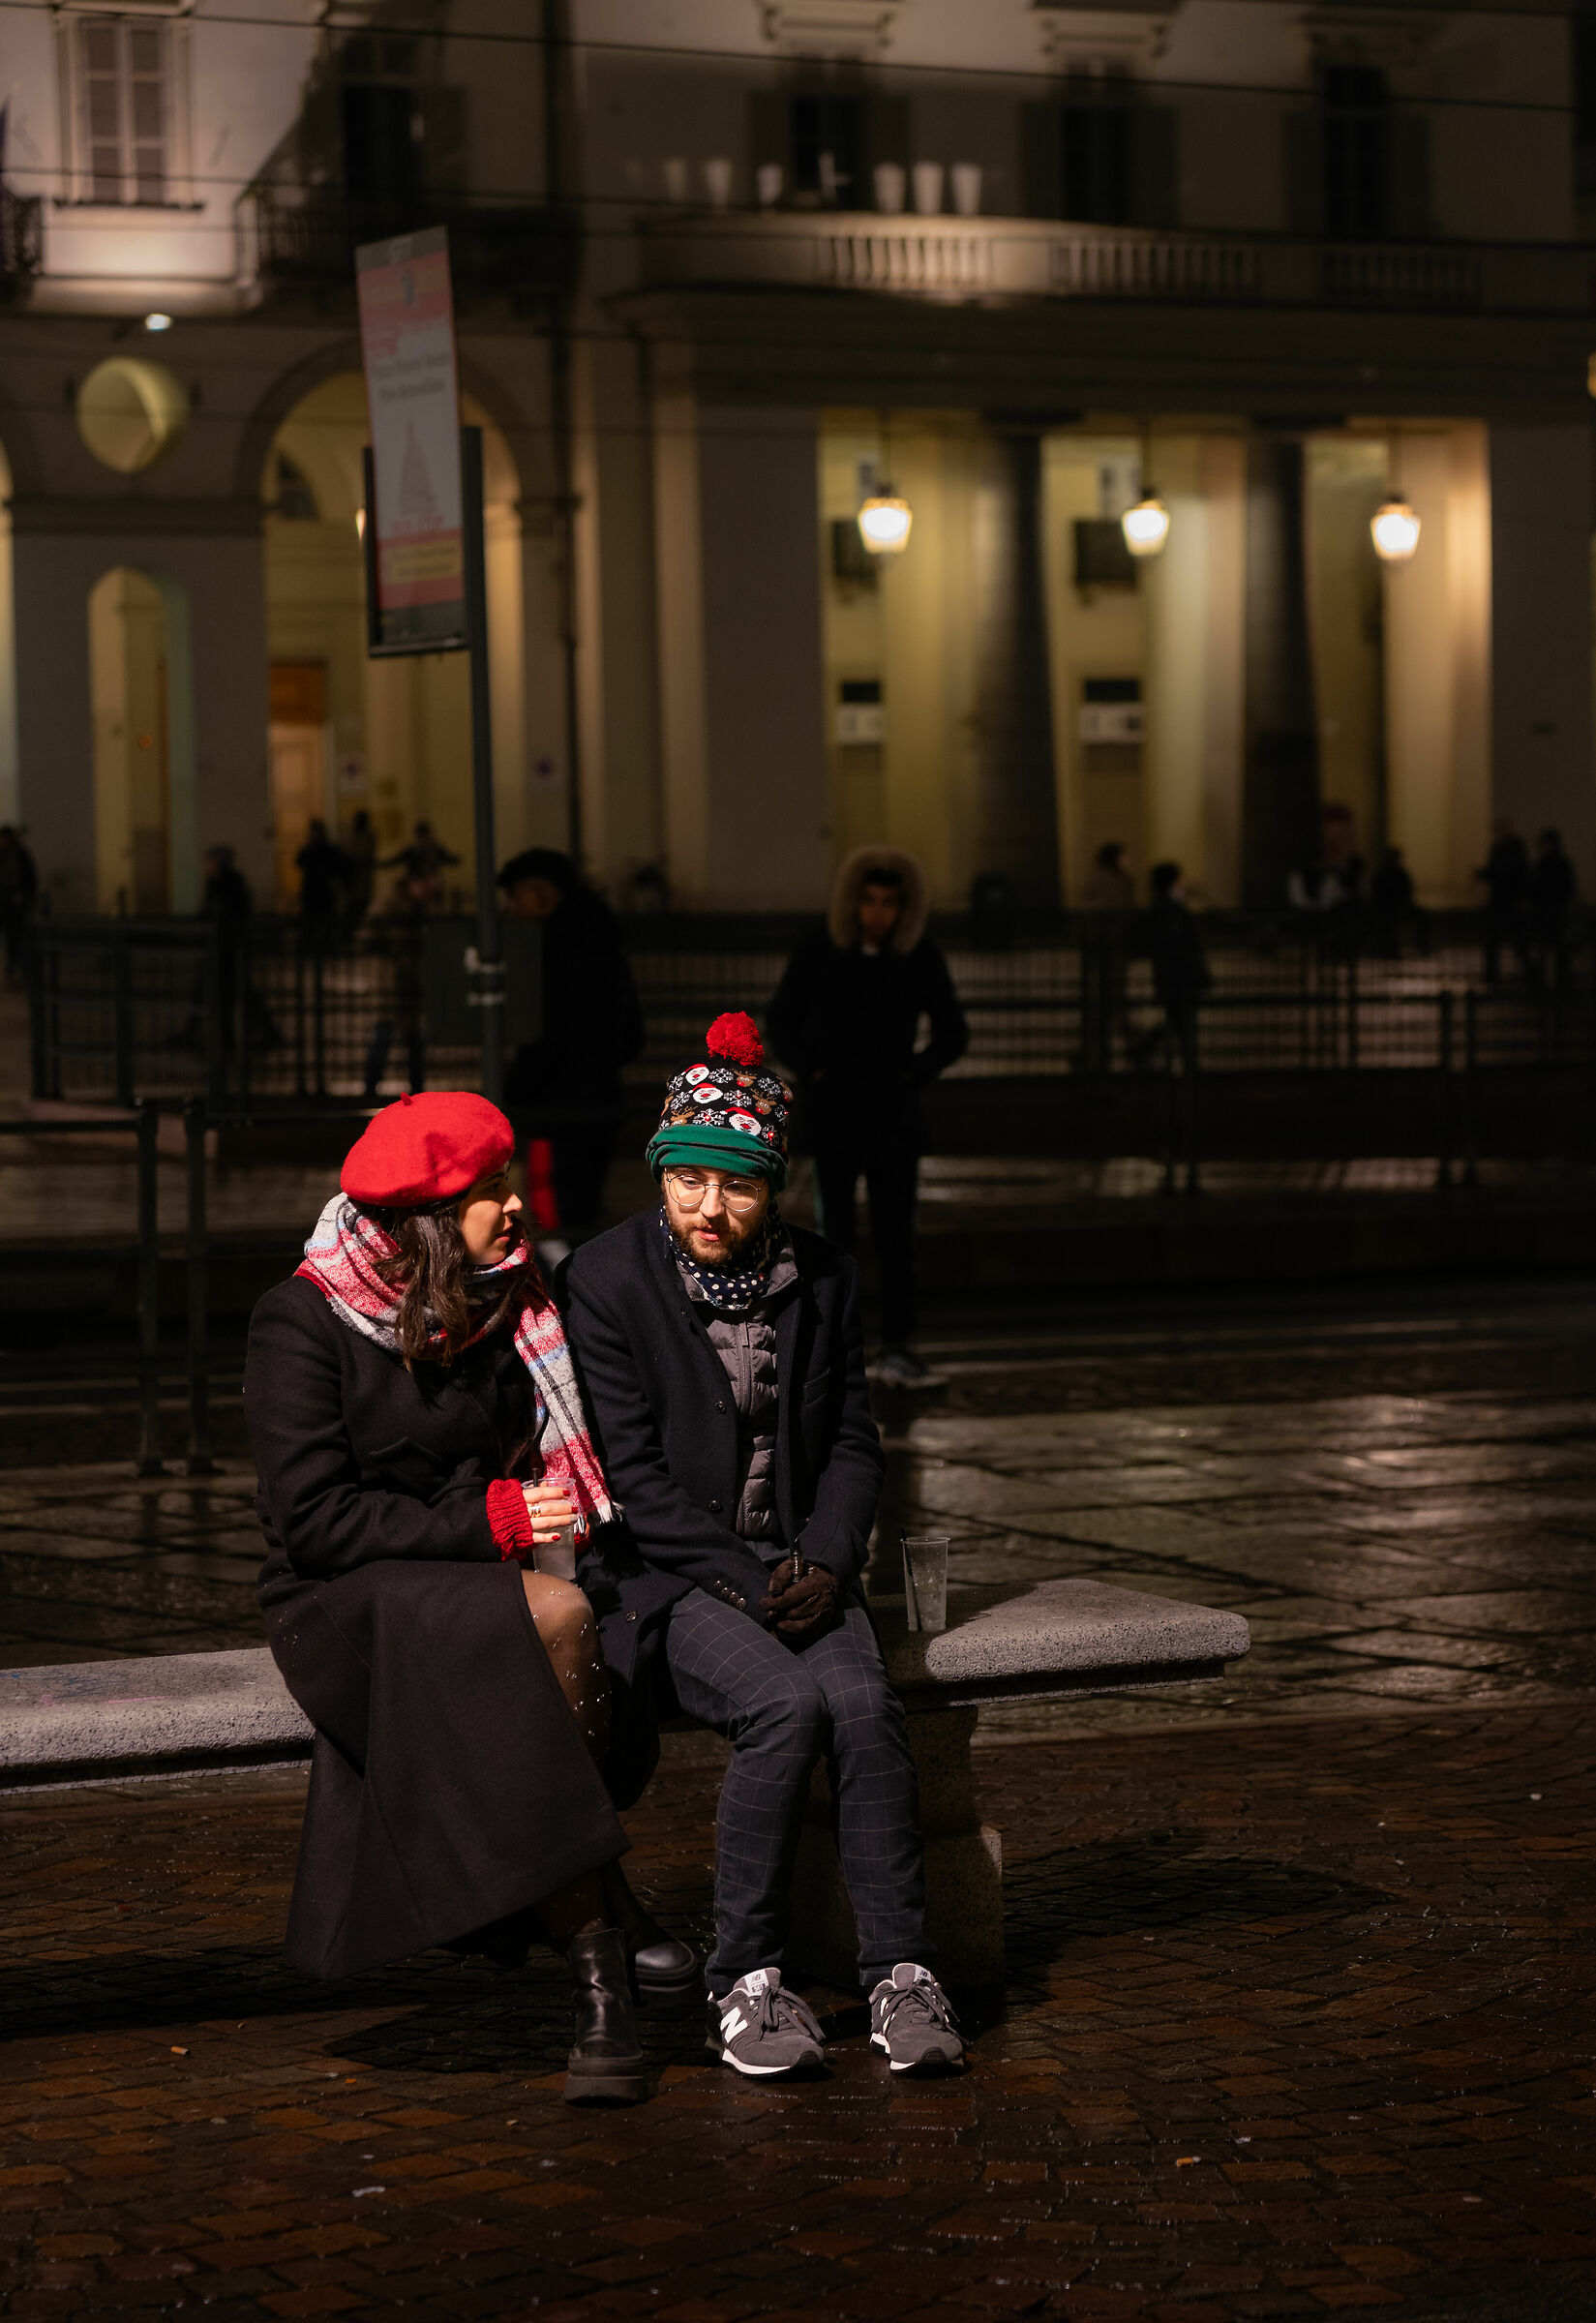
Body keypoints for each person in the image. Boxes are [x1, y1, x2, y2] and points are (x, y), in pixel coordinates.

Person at [245, 1093, 699, 2103]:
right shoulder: (301, 1319)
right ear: (423, 1220)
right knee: (558, 1623)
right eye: (487, 1191)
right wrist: (483, 1523)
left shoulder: (498, 1300)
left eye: (507, 1179)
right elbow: (314, 1523)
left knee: (588, 1622)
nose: (513, 1204)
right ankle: (598, 1959)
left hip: (467, 1580)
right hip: (344, 1600)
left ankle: (596, 1905)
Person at [564, 1013, 964, 2082]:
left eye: (735, 1184)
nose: (707, 1205)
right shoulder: (606, 1283)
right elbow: (635, 1486)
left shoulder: (823, 1279)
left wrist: (828, 1558)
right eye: (687, 1178)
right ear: (659, 1174)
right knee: (783, 1707)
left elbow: (849, 1441)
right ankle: (743, 1980)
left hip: (795, 1563)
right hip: (667, 1580)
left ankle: (901, 1971)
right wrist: (754, 1582)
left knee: (867, 1708)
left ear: (772, 1185)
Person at [768, 848, 968, 1388]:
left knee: (896, 1236)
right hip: (835, 1117)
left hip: (892, 1118)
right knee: (834, 1239)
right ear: (852, 903)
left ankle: (898, 1346)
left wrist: (912, 1073)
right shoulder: (820, 951)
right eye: (870, 901)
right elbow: (782, 1019)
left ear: (903, 909)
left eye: (889, 904)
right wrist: (814, 1071)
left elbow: (953, 1030)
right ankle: (837, 1347)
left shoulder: (917, 957)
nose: (878, 913)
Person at [499, 849, 645, 1245]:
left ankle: (564, 1299)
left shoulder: (549, 950)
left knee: (553, 1222)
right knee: (583, 1213)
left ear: (543, 893)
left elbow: (547, 1034)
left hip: (555, 1108)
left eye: (517, 897)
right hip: (600, 1099)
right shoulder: (604, 939)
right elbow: (632, 1032)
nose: (511, 910)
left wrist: (516, 1087)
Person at [1475, 820, 1530, 984]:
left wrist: (1488, 874)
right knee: (1499, 940)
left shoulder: (1513, 849)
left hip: (1509, 900)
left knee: (1513, 940)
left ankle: (1525, 972)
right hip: (1502, 900)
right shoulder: (1500, 849)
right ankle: (1493, 975)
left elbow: (1509, 872)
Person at [1529, 827, 1577, 991]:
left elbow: (1566, 887)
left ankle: (1559, 980)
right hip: (1547, 911)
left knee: (1556, 947)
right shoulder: (1546, 864)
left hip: (1554, 911)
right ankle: (1551, 980)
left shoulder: (1556, 864)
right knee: (1549, 947)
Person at [295, 819, 349, 958]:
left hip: (324, 892)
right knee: (310, 924)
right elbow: (299, 861)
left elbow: (339, 867)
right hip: (313, 892)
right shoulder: (311, 850)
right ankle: (309, 950)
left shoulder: (328, 850)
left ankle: (325, 950)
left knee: (325, 923)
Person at [381, 820, 460, 911]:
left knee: (432, 900)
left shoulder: (434, 850)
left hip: (430, 882)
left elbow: (447, 858)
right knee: (418, 901)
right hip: (417, 883)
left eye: (425, 836)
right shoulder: (413, 851)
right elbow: (396, 860)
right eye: (421, 836)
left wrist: (454, 860)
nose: (424, 839)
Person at [0, 824, 38, 985]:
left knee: (20, 936)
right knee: (10, 938)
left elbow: (30, 878)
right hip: (4, 902)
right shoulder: (3, 856)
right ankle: (11, 968)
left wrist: (21, 894)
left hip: (18, 903)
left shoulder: (20, 855)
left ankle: (21, 969)